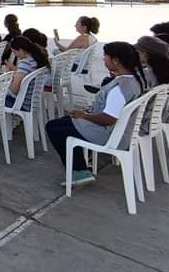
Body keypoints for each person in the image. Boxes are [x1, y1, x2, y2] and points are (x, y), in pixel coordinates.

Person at [45, 42, 146, 187]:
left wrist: (85, 115)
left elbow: (108, 119)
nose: (103, 58)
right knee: (63, 122)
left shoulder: (119, 89)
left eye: (106, 56)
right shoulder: (135, 80)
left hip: (109, 134)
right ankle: (81, 163)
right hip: (120, 131)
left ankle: (79, 170)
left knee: (55, 129)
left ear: (116, 61)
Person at [3, 36, 50, 110]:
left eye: (15, 52)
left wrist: (7, 80)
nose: (15, 55)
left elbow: (14, 90)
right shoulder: (37, 59)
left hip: (20, 104)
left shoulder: (25, 63)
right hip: (31, 102)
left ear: (21, 50)